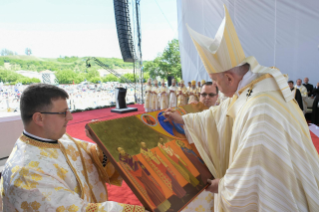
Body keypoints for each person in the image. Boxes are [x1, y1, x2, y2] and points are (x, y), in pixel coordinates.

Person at [165, 5, 319, 211]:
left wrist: (221, 185)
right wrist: (185, 119)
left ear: (229, 77)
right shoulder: (252, 87)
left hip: (280, 190)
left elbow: (252, 174)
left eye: (215, 82)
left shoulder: (261, 107)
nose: (216, 88)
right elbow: (219, 113)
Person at [0, 84, 145, 211]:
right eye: (63, 113)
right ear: (39, 118)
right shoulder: (26, 173)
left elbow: (91, 154)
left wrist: (103, 144)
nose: (70, 117)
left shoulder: (61, 138)